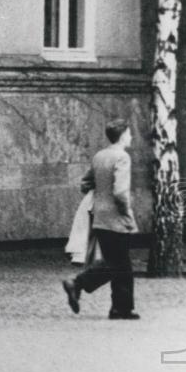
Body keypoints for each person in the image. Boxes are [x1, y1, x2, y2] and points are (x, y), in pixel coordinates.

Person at [62, 118, 140, 319]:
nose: (131, 137)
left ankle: (120, 309)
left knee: (119, 263)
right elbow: (121, 193)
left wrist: (100, 193)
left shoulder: (99, 156)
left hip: (99, 216)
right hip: (116, 217)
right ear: (123, 135)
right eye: (129, 133)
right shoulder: (122, 157)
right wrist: (128, 216)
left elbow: (85, 183)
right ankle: (78, 284)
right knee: (118, 263)